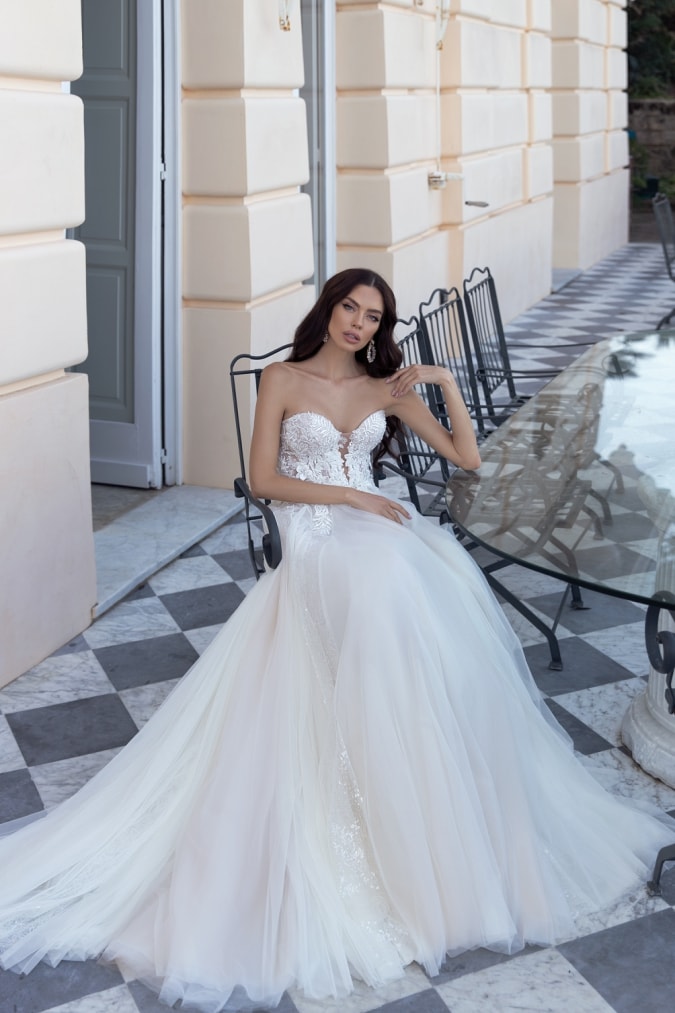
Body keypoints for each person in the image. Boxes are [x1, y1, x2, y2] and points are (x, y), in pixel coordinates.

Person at [0, 268, 672, 1012]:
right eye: (349, 307)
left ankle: (424, 797)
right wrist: (351, 492)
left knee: (419, 590)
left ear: (382, 328)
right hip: (318, 535)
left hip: (378, 531)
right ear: (327, 309)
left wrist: (443, 380)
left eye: (372, 316)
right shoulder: (282, 379)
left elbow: (467, 458)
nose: (357, 323)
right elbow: (262, 478)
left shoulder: (388, 386)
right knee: (387, 593)